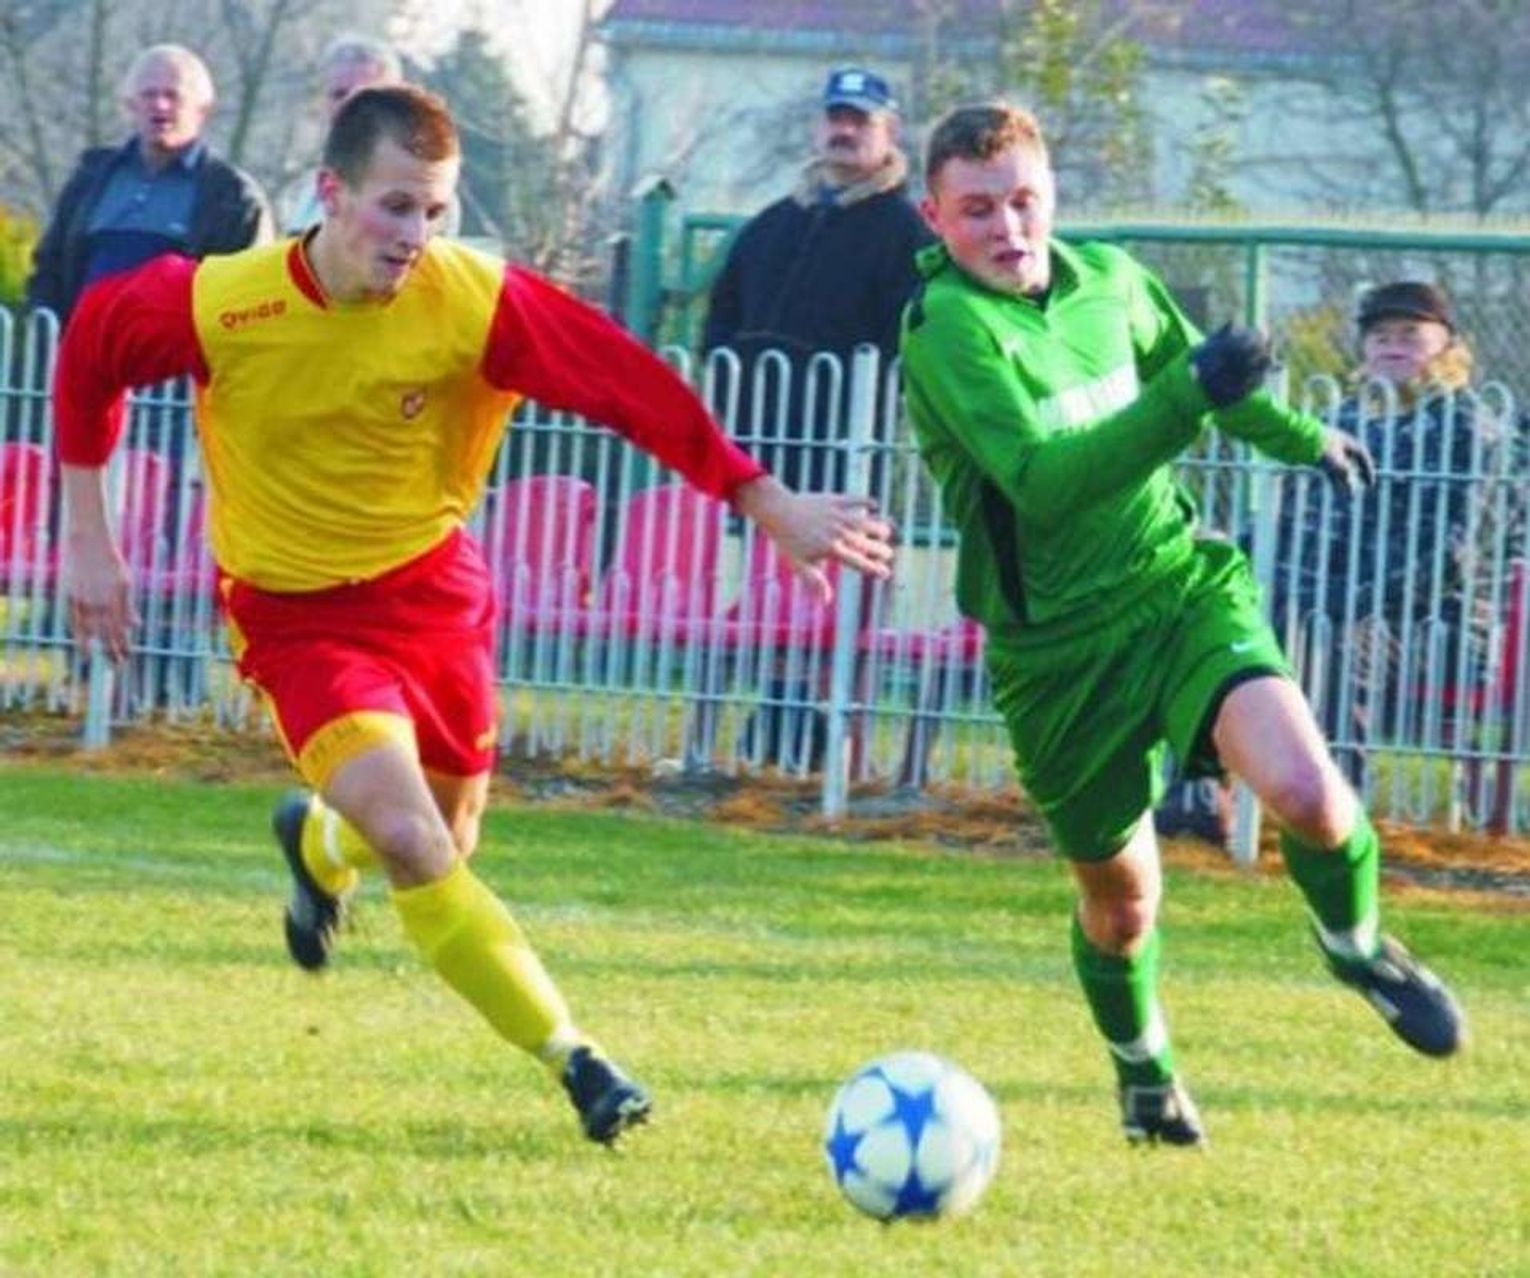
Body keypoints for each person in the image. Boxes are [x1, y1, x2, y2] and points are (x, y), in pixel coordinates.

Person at [55, 85, 894, 1146]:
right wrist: (90, 535)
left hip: (435, 604)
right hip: (297, 621)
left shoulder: (476, 301)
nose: (417, 234)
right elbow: (91, 348)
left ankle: (319, 843)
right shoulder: (223, 301)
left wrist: (763, 500)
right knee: (414, 841)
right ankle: (579, 1061)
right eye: (396, 205)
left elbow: (629, 387)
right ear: (330, 193)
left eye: (436, 210)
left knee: (446, 832)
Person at [899, 103, 1465, 1148]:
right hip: (1056, 655)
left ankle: (1357, 948)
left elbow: (1206, 377)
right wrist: (1187, 396)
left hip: (1175, 588)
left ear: (1051, 195)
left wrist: (1301, 437)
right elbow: (1042, 484)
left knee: (1310, 795)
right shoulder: (946, 332)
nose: (1008, 228)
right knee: (1121, 908)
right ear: (935, 217)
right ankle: (1144, 1074)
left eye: (1023, 200)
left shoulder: (1112, 280)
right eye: (977, 210)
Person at [1274, 281, 1529, 792]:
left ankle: (1335, 804)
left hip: (1444, 623)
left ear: (1448, 345)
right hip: (1333, 600)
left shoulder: (1474, 430)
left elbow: (1450, 560)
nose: (1392, 346)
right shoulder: (1339, 422)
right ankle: (1201, 794)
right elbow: (1292, 522)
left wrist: (1340, 599)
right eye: (1380, 336)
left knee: (1327, 635)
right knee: (1225, 619)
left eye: (1410, 334)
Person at [702, 65, 932, 493]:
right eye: (835, 118)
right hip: (751, 440)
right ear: (817, 127)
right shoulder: (769, 225)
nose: (844, 130)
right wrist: (726, 390)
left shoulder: (907, 233)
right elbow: (722, 315)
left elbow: (909, 342)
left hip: (844, 449)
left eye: (860, 120)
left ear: (891, 131)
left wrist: (861, 409)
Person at [25, 44, 272, 321]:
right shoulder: (90, 179)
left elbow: (246, 295)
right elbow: (49, 267)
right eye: (149, 94)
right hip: (83, 343)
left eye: (173, 96)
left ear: (202, 109)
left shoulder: (233, 198)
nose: (160, 105)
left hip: (176, 347)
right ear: (130, 105)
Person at [280, 35, 461, 238]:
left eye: (365, 96)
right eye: (339, 94)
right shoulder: (297, 196)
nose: (349, 106)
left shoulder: (431, 202)